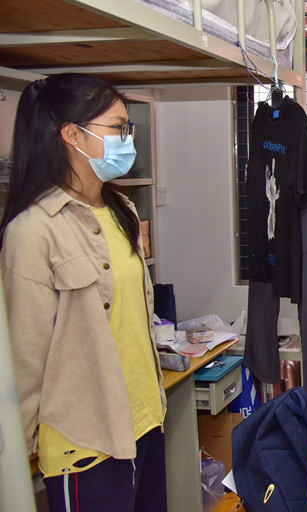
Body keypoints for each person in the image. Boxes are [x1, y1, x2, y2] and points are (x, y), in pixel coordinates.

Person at [1, 73, 166, 511]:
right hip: (87, 443)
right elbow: (24, 357)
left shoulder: (122, 210)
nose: (127, 139)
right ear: (72, 134)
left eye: (128, 128)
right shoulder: (33, 231)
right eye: (117, 128)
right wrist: (15, 459)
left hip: (145, 422)